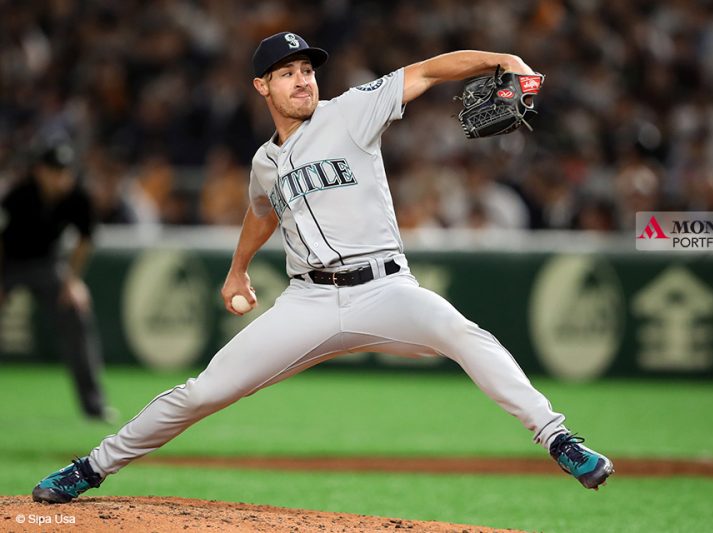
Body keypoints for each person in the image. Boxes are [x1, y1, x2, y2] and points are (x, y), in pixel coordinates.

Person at [32, 32, 613, 504]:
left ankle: (558, 438)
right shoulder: (265, 161)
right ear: (262, 85)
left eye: (307, 68)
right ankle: (91, 468)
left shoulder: (353, 111)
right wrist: (237, 270)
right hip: (308, 302)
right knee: (203, 391)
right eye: (286, 72)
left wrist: (500, 59)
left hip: (385, 289)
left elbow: (432, 70)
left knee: (463, 333)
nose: (302, 78)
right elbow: (262, 212)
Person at [0, 142, 115, 423]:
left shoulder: (77, 197)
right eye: (54, 171)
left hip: (48, 264)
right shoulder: (19, 194)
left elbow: (85, 240)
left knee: (75, 314)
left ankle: (94, 405)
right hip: (9, 264)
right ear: (39, 171)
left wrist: (72, 281)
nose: (60, 177)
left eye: (64, 171)